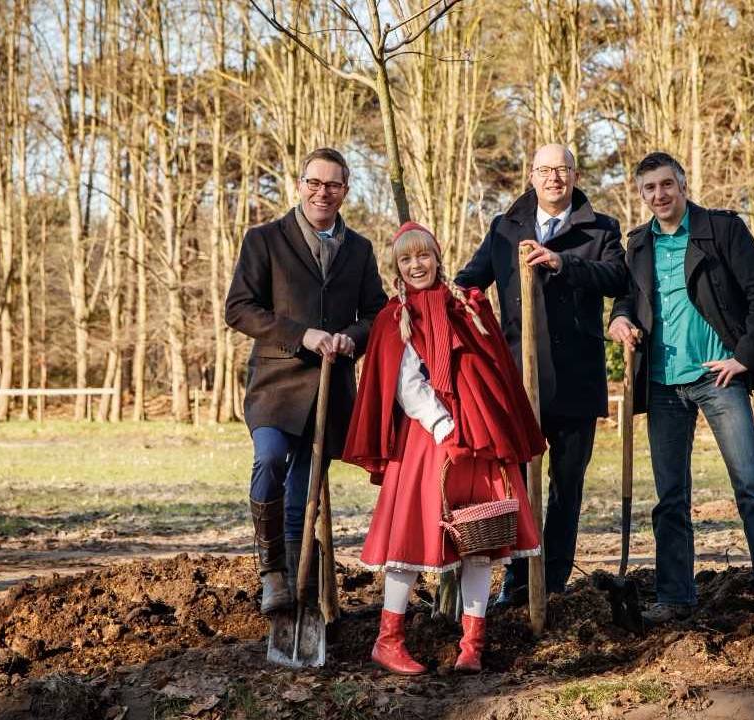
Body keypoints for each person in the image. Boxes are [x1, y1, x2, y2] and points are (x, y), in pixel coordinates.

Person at [343, 222, 545, 675]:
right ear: (397, 268)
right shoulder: (394, 317)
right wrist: (442, 426)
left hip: (479, 438)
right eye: (407, 260)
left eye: (424, 256)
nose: (417, 266)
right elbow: (405, 384)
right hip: (428, 440)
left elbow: (492, 371)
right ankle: (388, 640)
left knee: (481, 536)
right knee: (413, 537)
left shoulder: (463, 309)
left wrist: (492, 428)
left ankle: (472, 642)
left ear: (438, 258)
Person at [608, 151, 754, 624]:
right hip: (662, 385)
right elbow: (627, 299)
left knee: (750, 485)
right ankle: (675, 598)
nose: (659, 195)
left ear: (683, 185)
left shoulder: (721, 230)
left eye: (667, 185)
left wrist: (743, 357)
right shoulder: (638, 245)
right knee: (670, 496)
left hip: (718, 377)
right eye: (649, 188)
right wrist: (619, 319)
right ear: (641, 194)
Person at [455, 143, 628, 607]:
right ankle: (517, 583)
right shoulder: (504, 228)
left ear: (574, 175)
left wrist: (561, 262)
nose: (555, 178)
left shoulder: (601, 228)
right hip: (518, 383)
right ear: (531, 175)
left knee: (566, 487)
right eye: (545, 170)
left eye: (563, 169)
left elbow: (617, 279)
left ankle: (551, 585)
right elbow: (470, 282)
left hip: (576, 379)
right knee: (519, 490)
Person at [224, 147, 388, 614]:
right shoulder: (265, 240)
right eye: (314, 183)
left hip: (331, 388)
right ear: (300, 185)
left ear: (345, 191)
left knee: (306, 486)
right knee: (271, 459)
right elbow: (239, 308)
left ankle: (296, 587)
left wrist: (349, 338)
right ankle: (272, 569)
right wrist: (304, 335)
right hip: (276, 383)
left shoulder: (359, 249)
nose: (323, 192)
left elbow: (375, 312)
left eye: (333, 185)